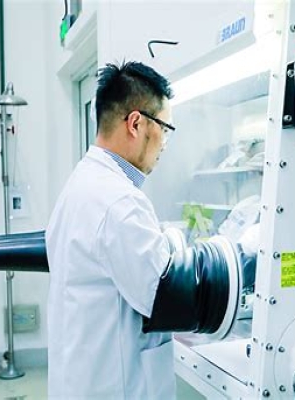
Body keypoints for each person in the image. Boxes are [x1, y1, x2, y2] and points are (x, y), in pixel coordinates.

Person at [46, 61, 178, 399]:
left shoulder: (82, 184)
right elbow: (165, 298)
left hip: (81, 379)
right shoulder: (119, 202)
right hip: (113, 387)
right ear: (136, 123)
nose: (165, 143)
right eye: (165, 128)